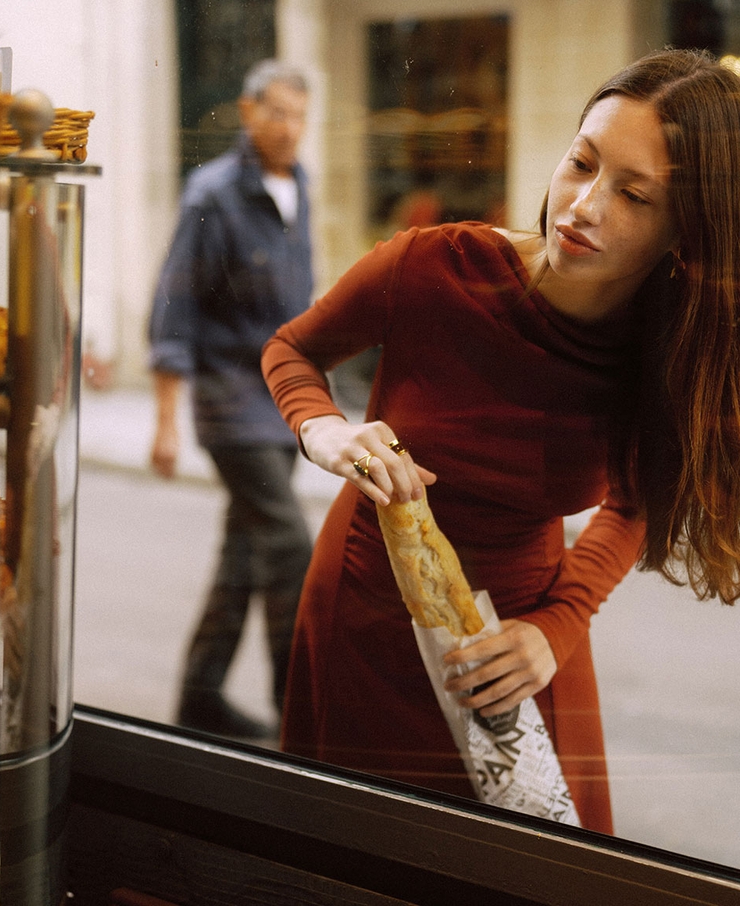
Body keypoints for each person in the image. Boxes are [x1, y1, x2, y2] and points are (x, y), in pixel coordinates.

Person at [261, 48, 740, 831]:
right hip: (367, 614)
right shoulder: (431, 266)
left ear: (683, 233)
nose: (583, 206)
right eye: (580, 162)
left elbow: (641, 498)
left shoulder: (669, 349)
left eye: (633, 194)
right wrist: (322, 432)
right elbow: (291, 350)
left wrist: (557, 627)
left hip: (523, 642)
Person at [149, 59, 314, 740]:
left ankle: (199, 697)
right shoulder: (210, 193)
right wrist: (165, 423)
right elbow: (172, 315)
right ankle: (297, 711)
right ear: (247, 113)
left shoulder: (300, 183)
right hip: (228, 404)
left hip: (279, 402)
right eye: (276, 112)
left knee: (244, 557)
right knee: (290, 546)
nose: (289, 128)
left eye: (301, 115)